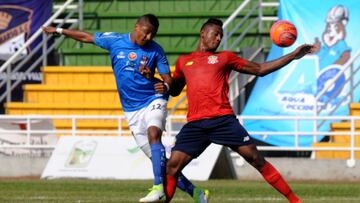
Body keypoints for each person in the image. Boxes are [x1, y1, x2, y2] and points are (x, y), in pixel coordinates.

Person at [43, 14, 208, 203]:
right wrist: (58, 30)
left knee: (154, 133)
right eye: (146, 33)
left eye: (152, 35)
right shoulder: (115, 41)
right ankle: (196, 193)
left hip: (154, 99)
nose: (148, 38)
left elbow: (169, 81)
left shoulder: (156, 51)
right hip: (131, 109)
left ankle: (157, 188)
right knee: (163, 164)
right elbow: (86, 37)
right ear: (137, 27)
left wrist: (163, 83)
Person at [155, 18, 315, 203]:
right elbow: (174, 90)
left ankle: (295, 200)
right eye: (215, 34)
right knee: (172, 167)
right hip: (196, 124)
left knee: (256, 159)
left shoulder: (225, 58)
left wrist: (292, 55)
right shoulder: (184, 61)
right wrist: (160, 83)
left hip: (223, 121)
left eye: (220, 36)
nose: (218, 39)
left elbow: (260, 69)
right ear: (202, 34)